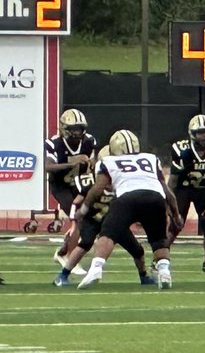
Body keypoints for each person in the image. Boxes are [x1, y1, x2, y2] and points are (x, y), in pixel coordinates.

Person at [55, 129, 181, 290]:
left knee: (107, 235)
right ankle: (164, 272)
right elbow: (166, 189)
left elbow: (96, 189)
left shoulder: (108, 162)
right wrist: (176, 213)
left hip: (126, 199)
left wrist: (84, 209)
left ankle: (96, 269)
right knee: (159, 239)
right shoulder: (151, 158)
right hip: (155, 198)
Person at [73, 146, 154, 287]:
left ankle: (143, 276)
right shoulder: (91, 182)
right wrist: (79, 215)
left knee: (137, 250)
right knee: (85, 243)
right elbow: (79, 200)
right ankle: (64, 273)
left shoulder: (124, 184)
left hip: (115, 222)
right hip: (95, 220)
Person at [166, 114, 205, 273]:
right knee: (176, 224)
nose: (203, 136)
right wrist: (168, 204)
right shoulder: (182, 151)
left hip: (204, 189)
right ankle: (160, 260)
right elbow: (172, 181)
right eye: (200, 132)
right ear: (192, 133)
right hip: (182, 189)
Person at [44, 108, 97, 276]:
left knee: (87, 221)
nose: (77, 133)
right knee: (79, 221)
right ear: (64, 128)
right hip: (61, 186)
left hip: (81, 185)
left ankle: (62, 253)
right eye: (73, 129)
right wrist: (73, 164)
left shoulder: (89, 141)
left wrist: (92, 164)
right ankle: (71, 259)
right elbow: (48, 167)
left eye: (79, 129)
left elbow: (94, 162)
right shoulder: (54, 143)